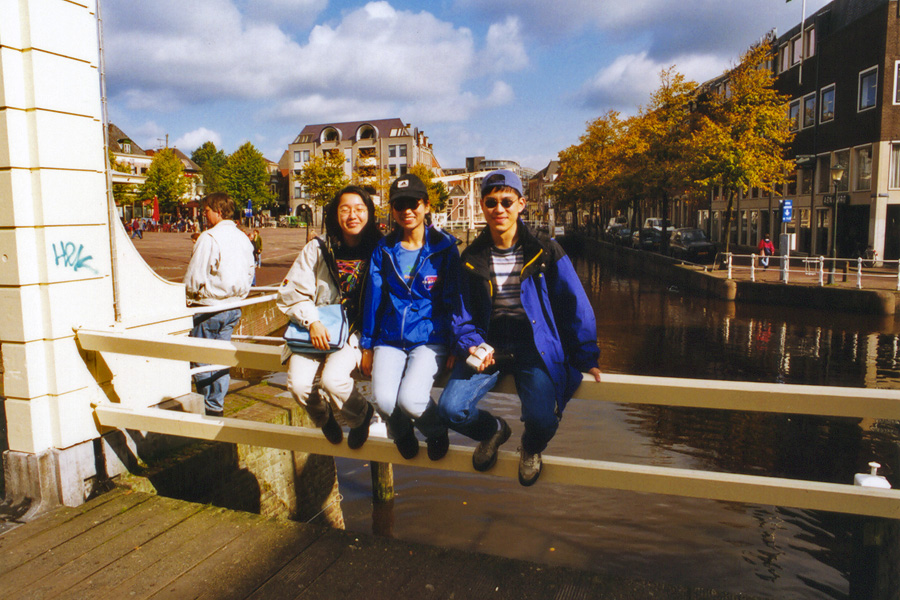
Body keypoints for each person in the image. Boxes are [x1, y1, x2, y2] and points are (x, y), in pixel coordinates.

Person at [438, 169, 602, 486]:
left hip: (534, 344)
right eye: (491, 202)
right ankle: (493, 431)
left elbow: (575, 303)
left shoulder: (545, 251)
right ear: (482, 207)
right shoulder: (470, 257)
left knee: (543, 419)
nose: (499, 209)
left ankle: (530, 447)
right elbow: (460, 312)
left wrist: (586, 355)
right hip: (490, 343)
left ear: (521, 204)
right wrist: (471, 343)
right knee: (450, 409)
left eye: (506, 201)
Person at [360, 174, 460, 460]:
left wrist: (455, 344)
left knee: (412, 401)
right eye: (399, 204)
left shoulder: (445, 248)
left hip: (430, 338)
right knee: (383, 402)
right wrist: (367, 345)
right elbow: (373, 299)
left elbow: (455, 299)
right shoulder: (384, 250)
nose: (406, 210)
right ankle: (402, 433)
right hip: (390, 338)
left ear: (426, 206)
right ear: (392, 210)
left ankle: (436, 431)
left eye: (413, 203)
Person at [277, 186, 382, 447]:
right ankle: (324, 418)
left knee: (333, 381)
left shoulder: (381, 249)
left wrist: (371, 344)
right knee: (298, 386)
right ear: (335, 214)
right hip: (318, 327)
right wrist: (312, 321)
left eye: (359, 209)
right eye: (345, 209)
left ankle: (361, 416)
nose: (352, 216)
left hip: (355, 332)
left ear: (369, 213)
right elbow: (291, 291)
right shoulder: (318, 248)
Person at [184, 192, 255, 416]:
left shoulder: (209, 237)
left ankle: (208, 405)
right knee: (221, 357)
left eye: (206, 211)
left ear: (218, 210)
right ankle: (217, 405)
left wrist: (188, 297)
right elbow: (250, 271)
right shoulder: (243, 238)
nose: (204, 215)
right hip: (233, 307)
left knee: (202, 358)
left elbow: (195, 276)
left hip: (210, 307)